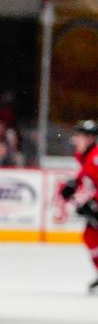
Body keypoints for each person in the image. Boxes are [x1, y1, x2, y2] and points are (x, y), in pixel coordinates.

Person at [60, 119, 98, 293]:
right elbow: (88, 178)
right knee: (90, 236)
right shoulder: (85, 155)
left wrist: (94, 204)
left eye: (79, 135)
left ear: (90, 138)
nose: (75, 139)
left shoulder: (95, 157)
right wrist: (74, 184)